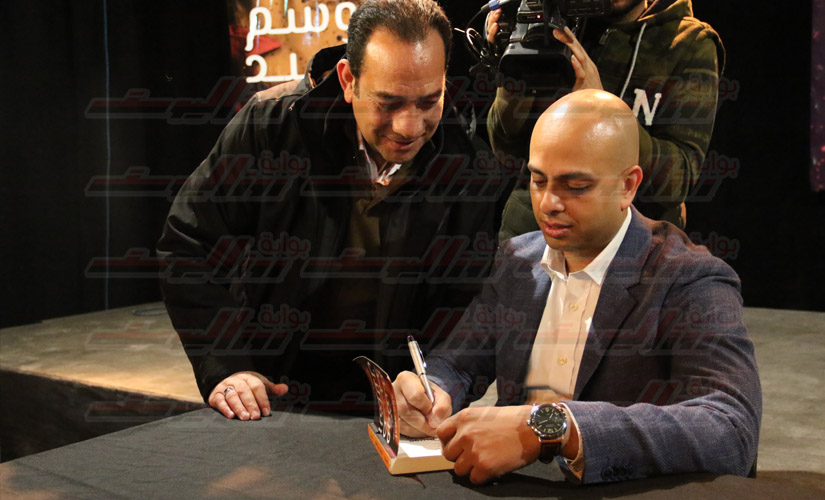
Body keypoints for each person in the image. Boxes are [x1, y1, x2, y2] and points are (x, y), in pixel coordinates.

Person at [157, 0, 506, 421]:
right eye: (388, 103)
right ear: (348, 80)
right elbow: (189, 244)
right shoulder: (272, 127)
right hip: (270, 391)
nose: (409, 127)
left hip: (396, 404)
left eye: (429, 101)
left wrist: (440, 382)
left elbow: (467, 304)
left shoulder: (469, 166)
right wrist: (226, 365)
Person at [393, 89, 761, 484]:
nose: (548, 203)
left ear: (628, 186)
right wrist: (432, 391)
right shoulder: (518, 260)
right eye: (538, 180)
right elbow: (458, 363)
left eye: (576, 186)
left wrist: (552, 428)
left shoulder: (689, 279)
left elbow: (732, 430)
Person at [487, 0, 724, 236]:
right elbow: (506, 152)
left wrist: (606, 112)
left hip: (631, 244)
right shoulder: (557, 20)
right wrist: (513, 74)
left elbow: (678, 180)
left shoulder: (689, 43)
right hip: (535, 234)